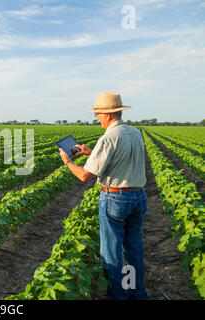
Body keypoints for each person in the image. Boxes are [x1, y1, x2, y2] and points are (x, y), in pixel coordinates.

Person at [58, 92, 148, 300]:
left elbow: (84, 175)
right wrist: (91, 152)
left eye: (98, 114)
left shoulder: (109, 137)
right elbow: (121, 158)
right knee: (133, 249)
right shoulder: (135, 133)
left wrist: (67, 161)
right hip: (138, 198)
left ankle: (117, 296)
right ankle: (136, 293)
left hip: (116, 199)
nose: (97, 117)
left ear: (107, 115)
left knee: (112, 253)